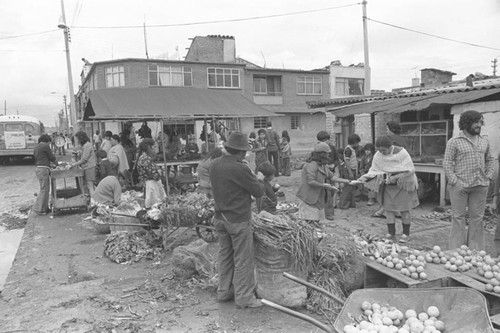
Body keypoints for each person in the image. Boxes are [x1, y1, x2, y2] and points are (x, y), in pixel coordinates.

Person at [209, 132, 265, 309]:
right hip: (238, 219)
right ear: (240, 153)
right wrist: (260, 179)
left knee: (225, 255)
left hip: (220, 218)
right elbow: (257, 191)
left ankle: (224, 292)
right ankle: (244, 297)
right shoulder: (240, 168)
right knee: (243, 258)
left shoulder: (214, 164)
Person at [443, 110, 493, 251]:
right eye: (476, 122)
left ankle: (475, 251)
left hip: (480, 185)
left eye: (480, 122)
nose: (479, 125)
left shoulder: (484, 140)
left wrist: (488, 176)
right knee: (458, 218)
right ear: (466, 123)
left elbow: (490, 159)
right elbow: (447, 162)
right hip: (460, 186)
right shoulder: (454, 142)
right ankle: (456, 251)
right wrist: (454, 180)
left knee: (477, 219)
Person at [357, 136, 419, 243]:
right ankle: (391, 233)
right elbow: (374, 170)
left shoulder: (402, 153)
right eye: (379, 150)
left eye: (384, 150)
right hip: (388, 185)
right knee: (388, 209)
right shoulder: (378, 155)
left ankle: (406, 234)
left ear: (390, 147)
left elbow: (410, 170)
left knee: (404, 210)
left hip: (404, 184)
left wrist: (395, 177)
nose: (382, 152)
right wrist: (364, 178)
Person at [296, 142, 350, 226]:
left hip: (317, 198)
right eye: (327, 153)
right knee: (309, 223)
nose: (328, 155)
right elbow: (311, 181)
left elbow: (332, 177)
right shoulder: (311, 165)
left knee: (316, 221)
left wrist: (348, 181)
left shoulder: (323, 165)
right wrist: (325, 185)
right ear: (322, 154)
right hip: (308, 197)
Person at [316, 130, 340, 219]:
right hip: (321, 173)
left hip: (330, 172)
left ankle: (329, 213)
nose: (324, 142)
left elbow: (337, 159)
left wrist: (333, 165)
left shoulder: (332, 148)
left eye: (326, 140)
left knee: (331, 192)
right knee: (323, 193)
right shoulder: (317, 149)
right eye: (322, 141)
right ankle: (324, 213)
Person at [136, 138, 166, 208]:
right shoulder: (145, 158)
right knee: (154, 205)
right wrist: (159, 174)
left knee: (155, 203)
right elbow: (152, 173)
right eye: (153, 147)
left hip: (150, 183)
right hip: (151, 184)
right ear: (149, 147)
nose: (154, 150)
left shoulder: (145, 157)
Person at [33, 134, 58, 215]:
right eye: (49, 143)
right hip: (43, 169)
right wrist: (58, 164)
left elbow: (41, 158)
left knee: (44, 189)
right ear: (47, 141)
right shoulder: (45, 146)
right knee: (44, 189)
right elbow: (51, 157)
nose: (49, 144)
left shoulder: (37, 147)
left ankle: (44, 208)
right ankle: (39, 209)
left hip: (39, 169)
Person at [71, 131, 97, 197]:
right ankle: (92, 200)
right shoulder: (86, 145)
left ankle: (94, 201)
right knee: (89, 185)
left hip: (89, 167)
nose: (77, 140)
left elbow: (84, 159)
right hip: (87, 167)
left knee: (90, 185)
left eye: (77, 139)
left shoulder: (87, 145)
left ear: (81, 138)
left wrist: (74, 164)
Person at [339, 134, 361, 209]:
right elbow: (346, 161)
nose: (358, 144)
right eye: (357, 142)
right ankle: (343, 204)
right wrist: (350, 172)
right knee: (348, 187)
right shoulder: (348, 149)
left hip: (353, 169)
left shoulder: (352, 149)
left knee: (351, 188)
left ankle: (351, 203)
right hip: (350, 170)